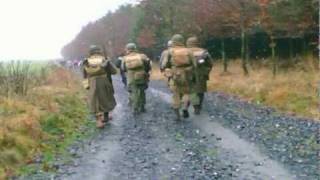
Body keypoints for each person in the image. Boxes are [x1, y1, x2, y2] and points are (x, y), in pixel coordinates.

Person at [161, 34, 197, 120]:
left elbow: (164, 65)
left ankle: (177, 116)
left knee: (176, 94)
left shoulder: (170, 51)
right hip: (187, 75)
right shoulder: (188, 51)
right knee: (187, 93)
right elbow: (195, 65)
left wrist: (168, 70)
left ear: (173, 41)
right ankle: (185, 108)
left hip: (175, 75)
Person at [82, 45, 117, 128]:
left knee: (95, 101)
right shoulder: (103, 60)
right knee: (106, 98)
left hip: (92, 82)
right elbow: (114, 71)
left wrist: (86, 85)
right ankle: (106, 116)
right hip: (104, 81)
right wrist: (108, 63)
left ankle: (98, 121)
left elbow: (84, 74)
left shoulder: (86, 61)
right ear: (99, 51)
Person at [121, 43, 151, 114]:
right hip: (141, 75)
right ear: (135, 48)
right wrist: (145, 72)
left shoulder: (125, 58)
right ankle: (142, 107)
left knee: (134, 92)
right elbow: (148, 66)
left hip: (131, 77)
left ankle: (135, 108)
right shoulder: (142, 56)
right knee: (142, 91)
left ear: (127, 49)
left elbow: (123, 68)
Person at [187, 36, 213, 114]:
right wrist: (206, 71)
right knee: (200, 91)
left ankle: (195, 106)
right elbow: (210, 63)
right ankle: (199, 107)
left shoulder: (185, 52)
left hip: (189, 74)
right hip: (201, 74)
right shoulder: (204, 52)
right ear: (197, 43)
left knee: (192, 91)